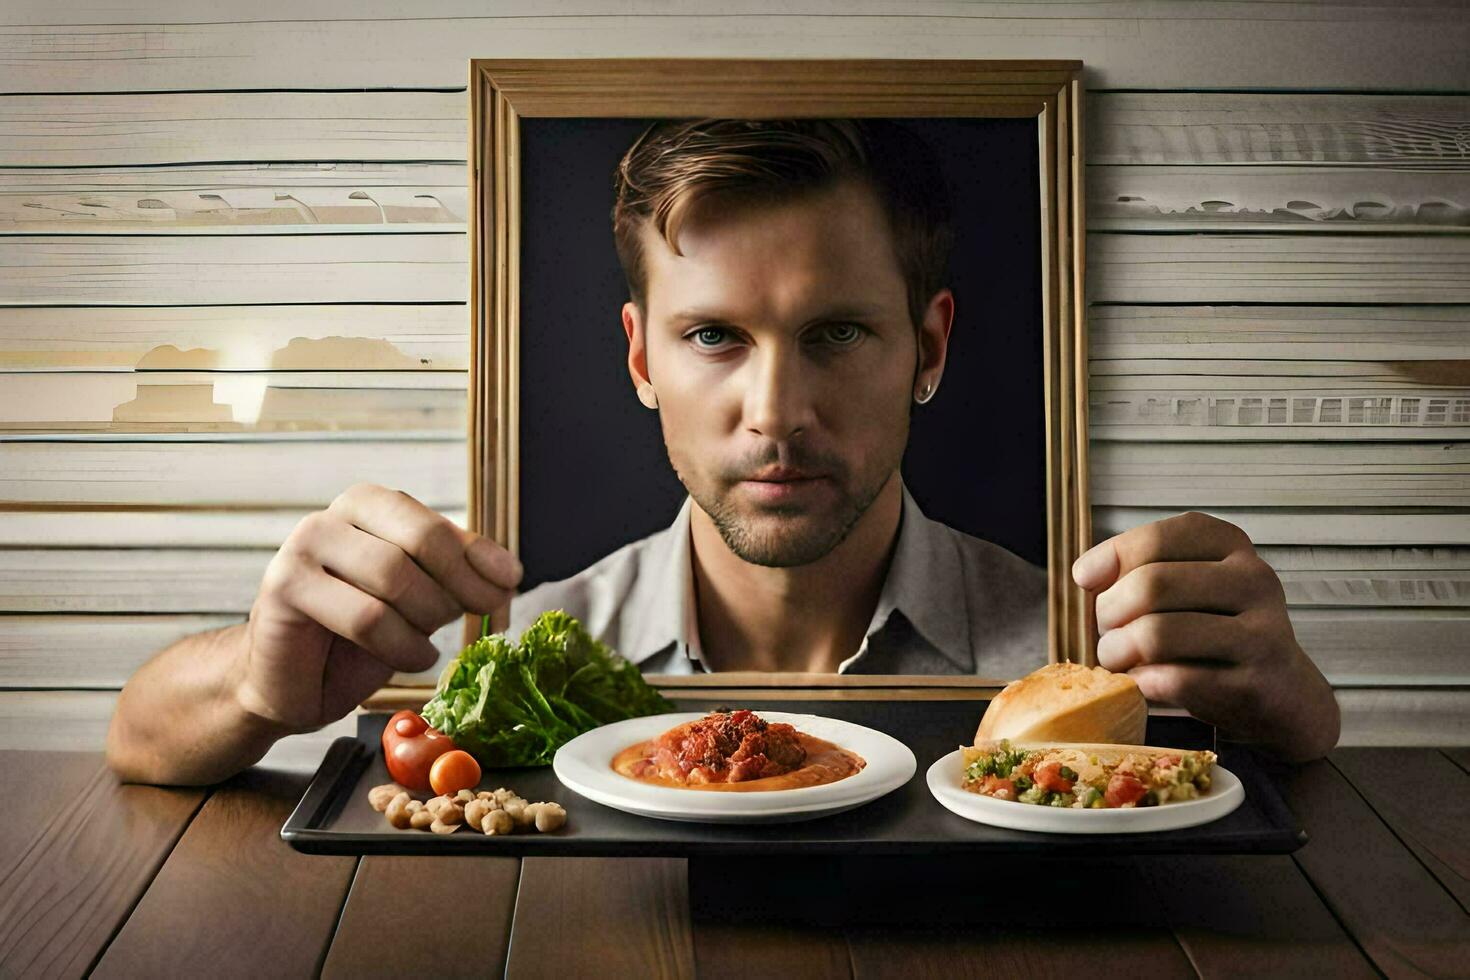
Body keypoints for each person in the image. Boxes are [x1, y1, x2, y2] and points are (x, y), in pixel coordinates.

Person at [106, 119, 1340, 786]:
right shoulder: (525, 655)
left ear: (930, 344)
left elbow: (1298, 744)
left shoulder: (1080, 663)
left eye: (838, 332)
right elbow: (136, 736)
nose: (775, 408)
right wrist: (262, 686)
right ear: (643, 359)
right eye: (713, 336)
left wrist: (1287, 698)